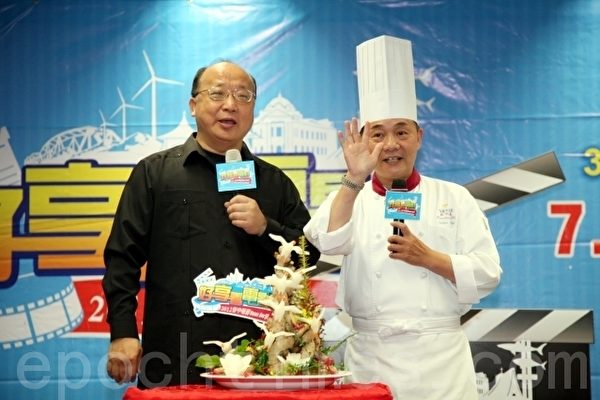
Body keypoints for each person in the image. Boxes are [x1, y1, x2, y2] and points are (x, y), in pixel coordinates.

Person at [303, 35, 502, 399]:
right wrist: (354, 178)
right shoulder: (350, 196)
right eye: (378, 134)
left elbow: (488, 273)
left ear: (419, 137)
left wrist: (428, 258)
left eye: (401, 132)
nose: (391, 144)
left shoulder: (454, 197)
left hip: (442, 361)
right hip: (371, 358)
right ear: (365, 141)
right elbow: (328, 242)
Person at [102, 60, 320, 388]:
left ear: (253, 108)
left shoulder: (274, 183)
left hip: (260, 359)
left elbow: (309, 256)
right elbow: (122, 259)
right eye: (218, 94)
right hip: (175, 354)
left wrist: (266, 229)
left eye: (243, 96)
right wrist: (122, 332)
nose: (230, 105)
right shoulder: (155, 174)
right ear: (193, 105)